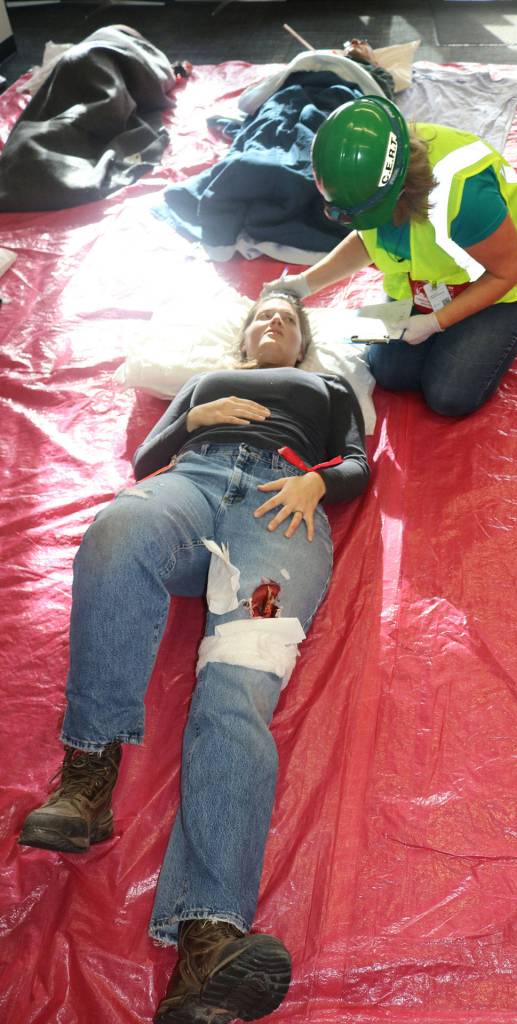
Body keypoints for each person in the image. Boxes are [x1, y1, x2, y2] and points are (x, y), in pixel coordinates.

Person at [18, 293, 369, 1023]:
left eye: (289, 320)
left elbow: (357, 464)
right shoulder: (206, 381)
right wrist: (189, 420)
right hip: (190, 486)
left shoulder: (328, 387)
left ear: (304, 344)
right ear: (241, 335)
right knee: (117, 532)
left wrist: (315, 480)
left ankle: (208, 943)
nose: (274, 322)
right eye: (262, 315)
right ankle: (86, 782)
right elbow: (148, 458)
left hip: (278, 513)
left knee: (239, 681)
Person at [265, 96, 517, 418]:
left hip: (505, 285)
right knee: (390, 372)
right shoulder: (371, 170)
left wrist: (436, 322)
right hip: (434, 282)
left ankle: (491, 331)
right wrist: (302, 285)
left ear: (395, 194)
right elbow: (367, 238)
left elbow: (508, 271)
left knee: (448, 395)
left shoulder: (463, 195)